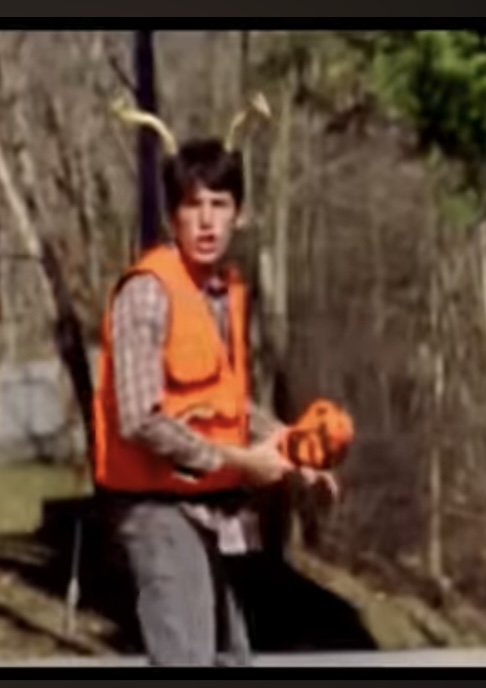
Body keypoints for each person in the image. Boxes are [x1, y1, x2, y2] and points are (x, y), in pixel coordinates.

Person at [92, 100, 338, 666]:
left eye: (219, 205)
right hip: (152, 506)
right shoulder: (149, 292)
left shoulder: (223, 294)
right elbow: (139, 419)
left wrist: (294, 451)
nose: (206, 220)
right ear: (172, 217)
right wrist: (240, 464)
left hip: (205, 504)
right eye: (192, 206)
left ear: (240, 214)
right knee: (188, 660)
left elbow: (225, 405)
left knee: (233, 659)